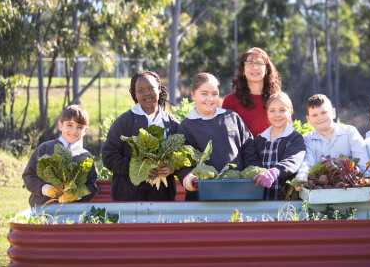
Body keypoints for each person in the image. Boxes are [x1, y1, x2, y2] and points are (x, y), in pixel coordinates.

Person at [176, 72, 261, 201]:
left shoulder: (232, 117)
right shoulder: (186, 126)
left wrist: (252, 172)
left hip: (238, 191)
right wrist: (187, 177)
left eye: (214, 94)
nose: (210, 99)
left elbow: (248, 148)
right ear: (193, 95)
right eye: (204, 94)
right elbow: (182, 163)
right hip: (203, 195)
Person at [102, 70, 179, 201]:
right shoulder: (124, 122)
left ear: (159, 88)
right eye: (140, 90)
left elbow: (183, 156)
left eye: (150, 88)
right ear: (135, 94)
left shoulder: (172, 123)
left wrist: (173, 167)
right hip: (128, 196)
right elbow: (109, 157)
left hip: (163, 196)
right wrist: (141, 169)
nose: (146, 93)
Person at [22, 105, 98, 207]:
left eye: (79, 127)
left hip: (72, 212)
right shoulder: (44, 148)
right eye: (69, 125)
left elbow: (91, 186)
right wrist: (47, 189)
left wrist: (77, 195)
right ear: (60, 125)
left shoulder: (85, 156)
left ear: (85, 130)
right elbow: (29, 176)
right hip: (42, 208)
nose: (74, 131)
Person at [295, 94, 369, 189]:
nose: (320, 118)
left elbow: (362, 160)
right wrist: (302, 176)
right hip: (322, 188)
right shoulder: (308, 139)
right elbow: (307, 161)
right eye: (314, 115)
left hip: (350, 187)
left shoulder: (350, 132)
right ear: (308, 119)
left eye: (324, 112)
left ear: (333, 113)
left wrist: (365, 181)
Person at [253, 92, 306, 200]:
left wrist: (275, 172)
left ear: (290, 111)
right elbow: (252, 160)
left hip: (285, 200)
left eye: (282, 110)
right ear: (267, 112)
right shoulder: (259, 139)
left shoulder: (295, 138)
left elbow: (292, 161)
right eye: (272, 110)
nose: (277, 114)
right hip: (260, 198)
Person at [222, 47, 281, 137]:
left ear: (266, 69)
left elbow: (287, 133)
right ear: (243, 70)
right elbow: (228, 136)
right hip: (241, 151)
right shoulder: (230, 101)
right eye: (250, 63)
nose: (255, 67)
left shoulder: (278, 100)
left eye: (259, 63)